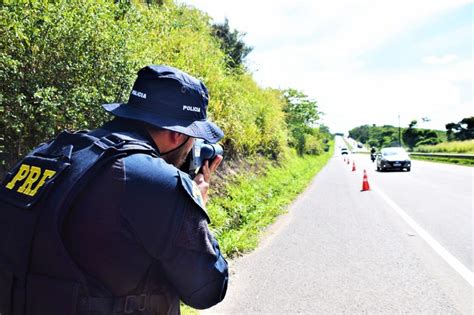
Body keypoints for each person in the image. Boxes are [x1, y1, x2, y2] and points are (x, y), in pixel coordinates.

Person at [0, 65, 228, 315]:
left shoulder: (46, 154)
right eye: (193, 136)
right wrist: (197, 204)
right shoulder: (160, 183)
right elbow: (207, 290)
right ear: (176, 134)